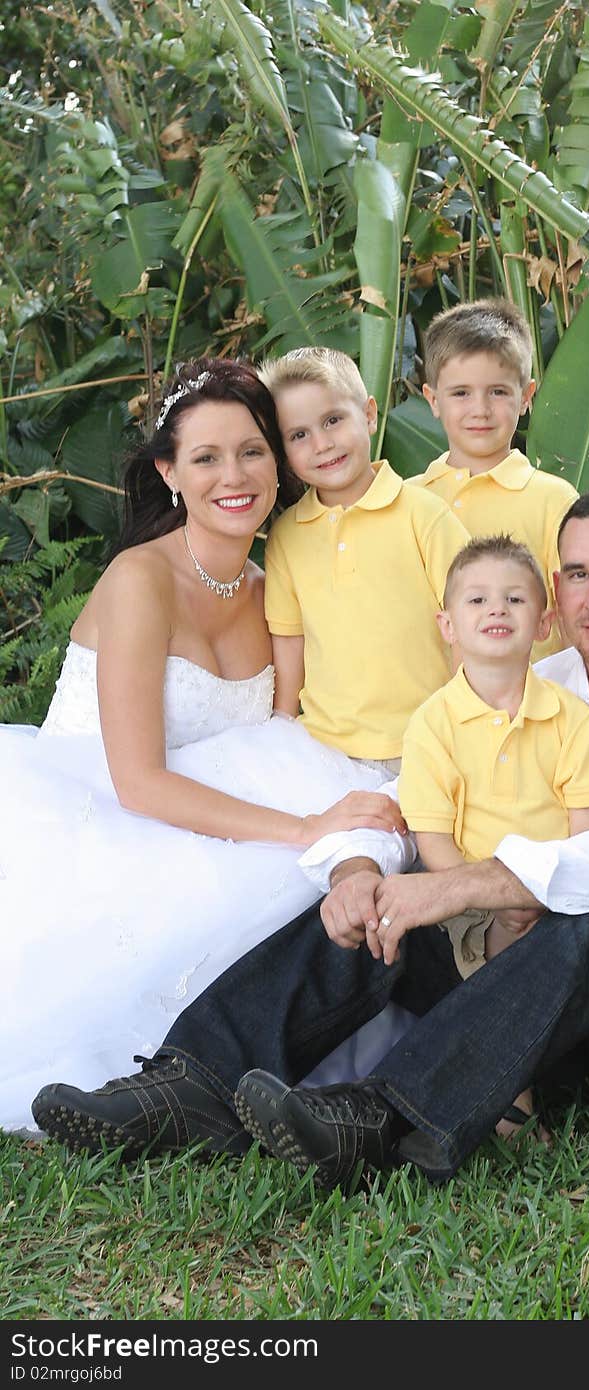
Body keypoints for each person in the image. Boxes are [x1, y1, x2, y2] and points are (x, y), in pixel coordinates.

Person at [33, 486, 589, 1184]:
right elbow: (406, 794)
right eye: (578, 574)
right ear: (556, 590)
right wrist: (357, 870)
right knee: (383, 903)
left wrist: (458, 885)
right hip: (549, 1017)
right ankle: (193, 1083)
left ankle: (382, 1120)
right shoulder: (538, 684)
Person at [0, 358, 407, 1137]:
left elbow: (295, 726)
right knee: (287, 864)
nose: (236, 475)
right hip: (102, 811)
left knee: (339, 870)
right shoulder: (138, 581)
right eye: (207, 457)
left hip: (217, 808)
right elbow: (140, 783)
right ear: (170, 473)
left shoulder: (273, 585)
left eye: (252, 451)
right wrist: (301, 827)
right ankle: (167, 1088)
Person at [398, 533, 589, 1133]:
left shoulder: (571, 719)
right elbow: (433, 840)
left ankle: (514, 1092)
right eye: (477, 601)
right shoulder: (433, 725)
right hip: (465, 901)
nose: (497, 610)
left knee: (551, 938)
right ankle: (512, 1104)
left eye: (515, 600)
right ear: (447, 625)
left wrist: (542, 892)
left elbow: (587, 832)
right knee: (502, 943)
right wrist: (489, 898)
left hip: (557, 892)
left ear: (544, 623)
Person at [258, 347, 470, 768]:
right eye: (299, 435)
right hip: (324, 750)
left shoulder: (423, 514)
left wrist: (465, 723)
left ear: (369, 414)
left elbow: (469, 623)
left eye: (333, 420)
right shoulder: (285, 537)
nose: (322, 444)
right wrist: (281, 731)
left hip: (424, 743)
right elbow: (291, 644)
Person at [412, 298, 578, 661]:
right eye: (461, 393)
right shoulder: (409, 499)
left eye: (498, 391)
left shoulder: (554, 500)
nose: (480, 409)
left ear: (526, 397)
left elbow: (572, 619)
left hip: (525, 707)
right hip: (428, 712)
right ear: (433, 399)